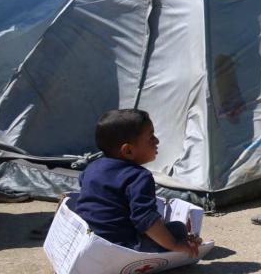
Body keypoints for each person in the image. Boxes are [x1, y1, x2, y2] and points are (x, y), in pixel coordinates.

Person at [75, 109, 199, 257]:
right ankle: (183, 242)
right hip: (121, 247)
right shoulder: (139, 177)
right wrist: (175, 244)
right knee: (178, 228)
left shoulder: (92, 167)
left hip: (87, 239)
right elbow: (146, 219)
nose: (157, 141)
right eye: (151, 137)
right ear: (128, 151)